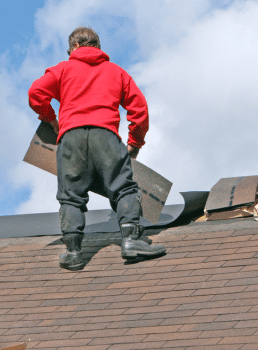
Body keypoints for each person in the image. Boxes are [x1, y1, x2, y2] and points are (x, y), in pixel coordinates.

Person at [28, 27, 165, 270]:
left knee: (71, 195)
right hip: (106, 136)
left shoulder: (62, 69)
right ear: (98, 47)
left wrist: (51, 119)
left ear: (73, 48)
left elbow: (36, 92)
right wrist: (135, 142)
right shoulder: (116, 72)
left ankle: (73, 252)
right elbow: (139, 109)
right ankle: (132, 240)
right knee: (123, 188)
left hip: (71, 137)